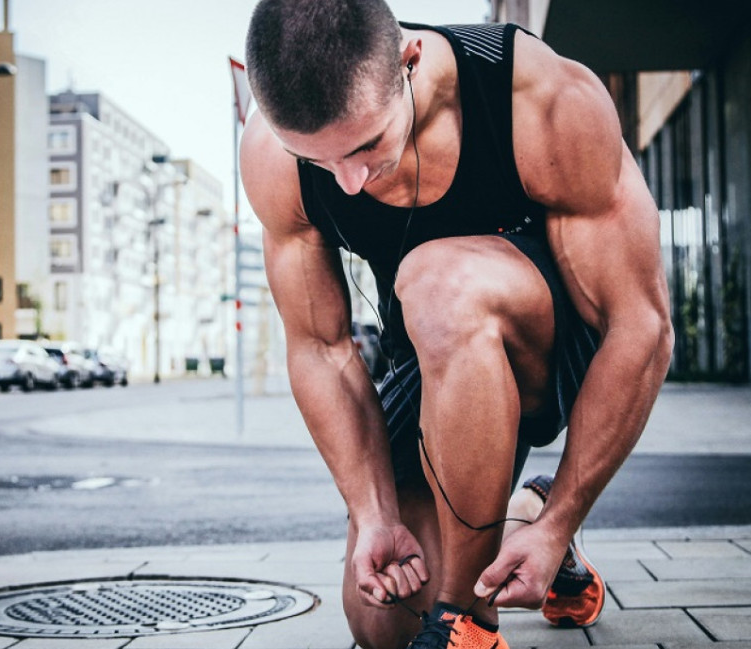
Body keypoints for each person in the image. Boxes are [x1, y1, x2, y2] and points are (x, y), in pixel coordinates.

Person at [239, 1, 674, 648]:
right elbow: (322, 348)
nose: (348, 183)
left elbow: (641, 325)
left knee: (437, 279)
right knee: (383, 617)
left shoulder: (538, 96)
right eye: (320, 160)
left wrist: (561, 521)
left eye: (365, 146)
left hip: (556, 347)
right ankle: (518, 508)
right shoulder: (274, 157)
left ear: (410, 63)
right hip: (431, 350)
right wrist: (374, 512)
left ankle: (468, 623)